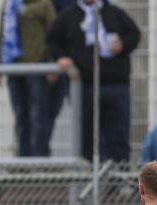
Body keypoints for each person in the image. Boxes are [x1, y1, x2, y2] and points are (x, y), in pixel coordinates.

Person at [47, 0, 141, 162]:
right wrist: (61, 57)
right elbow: (53, 39)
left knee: (118, 136)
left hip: (116, 84)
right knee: (87, 136)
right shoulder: (68, 15)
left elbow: (134, 33)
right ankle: (90, 179)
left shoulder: (114, 12)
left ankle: (118, 179)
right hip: (85, 86)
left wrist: (123, 45)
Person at [0, 0, 57, 156]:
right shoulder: (10, 4)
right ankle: (23, 159)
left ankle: (40, 158)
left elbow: (54, 35)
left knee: (38, 116)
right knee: (20, 116)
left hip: (36, 66)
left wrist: (52, 63)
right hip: (13, 68)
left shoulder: (44, 5)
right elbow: (1, 35)